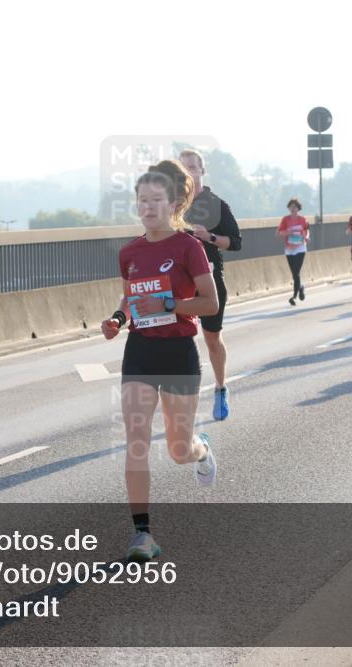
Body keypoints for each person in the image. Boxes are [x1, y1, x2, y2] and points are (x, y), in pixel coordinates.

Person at [101, 160, 219, 562]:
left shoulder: (189, 247)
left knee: (177, 448)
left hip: (179, 352)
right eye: (142, 200)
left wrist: (170, 303)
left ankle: (201, 449)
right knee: (136, 441)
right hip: (140, 351)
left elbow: (209, 302)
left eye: (155, 200)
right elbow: (130, 297)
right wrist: (119, 318)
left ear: (173, 204)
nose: (148, 207)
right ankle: (142, 536)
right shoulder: (130, 252)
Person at [179, 149, 242, 421]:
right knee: (180, 340)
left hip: (211, 281)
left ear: (202, 171)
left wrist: (210, 237)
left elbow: (236, 242)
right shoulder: (172, 206)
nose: (190, 172)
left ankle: (220, 388)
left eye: (193, 167)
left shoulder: (217, 205)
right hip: (181, 283)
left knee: (211, 338)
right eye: (184, 168)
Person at [276, 198, 310, 305]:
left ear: (298, 208)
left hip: (300, 247)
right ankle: (300, 287)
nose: (292, 209)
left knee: (296, 273)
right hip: (289, 248)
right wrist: (288, 233)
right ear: (288, 208)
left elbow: (307, 231)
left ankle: (294, 297)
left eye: (295, 207)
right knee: (295, 274)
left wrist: (307, 237)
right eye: (291, 207)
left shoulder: (303, 219)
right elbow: (278, 233)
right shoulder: (285, 220)